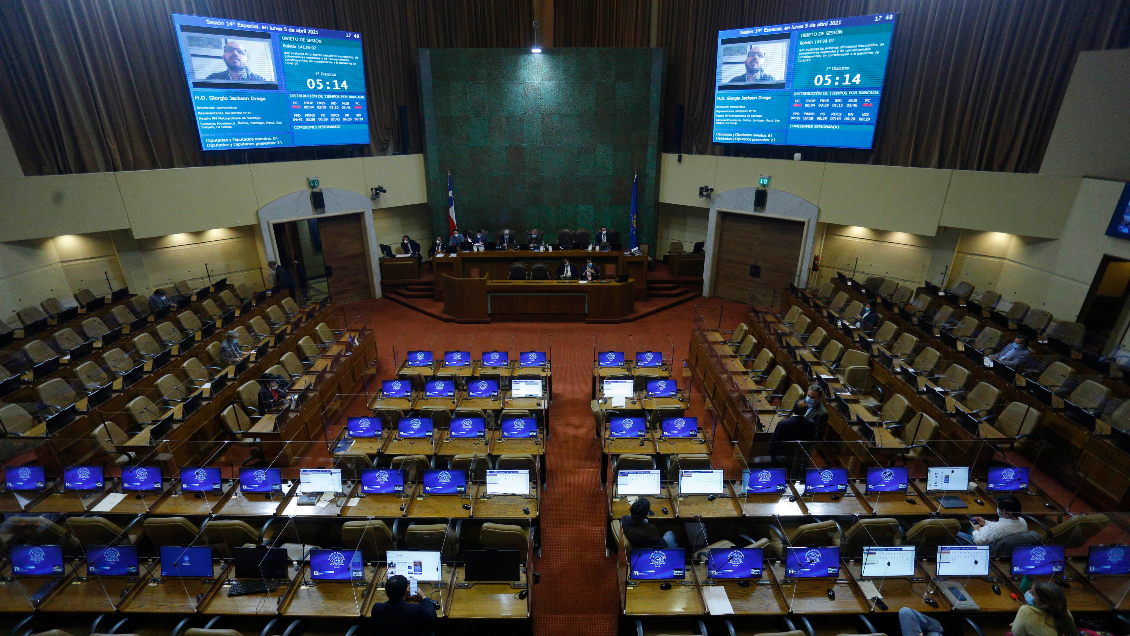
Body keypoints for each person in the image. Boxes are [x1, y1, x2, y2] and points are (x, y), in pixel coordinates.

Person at [370, 574, 436, 636]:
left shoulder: (377, 608)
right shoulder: (415, 609)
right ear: (406, 591)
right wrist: (424, 598)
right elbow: (431, 617)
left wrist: (403, 596)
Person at [1011, 581, 1076, 636]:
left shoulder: (1026, 611)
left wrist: (1018, 624)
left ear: (1041, 602)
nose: (1028, 591)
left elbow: (1016, 633)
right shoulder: (1065, 612)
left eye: (1032, 593)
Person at [958, 494, 1026, 545]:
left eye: (998, 507)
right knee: (970, 526)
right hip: (988, 534)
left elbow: (979, 542)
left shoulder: (999, 528)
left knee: (954, 532)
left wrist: (975, 530)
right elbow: (998, 526)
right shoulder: (1022, 522)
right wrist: (985, 522)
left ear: (1003, 511)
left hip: (977, 541)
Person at [768, 402, 817, 466]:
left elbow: (774, 442)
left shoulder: (783, 423)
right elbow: (810, 441)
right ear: (806, 411)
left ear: (793, 408)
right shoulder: (811, 424)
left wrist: (771, 454)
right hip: (800, 459)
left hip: (782, 458)